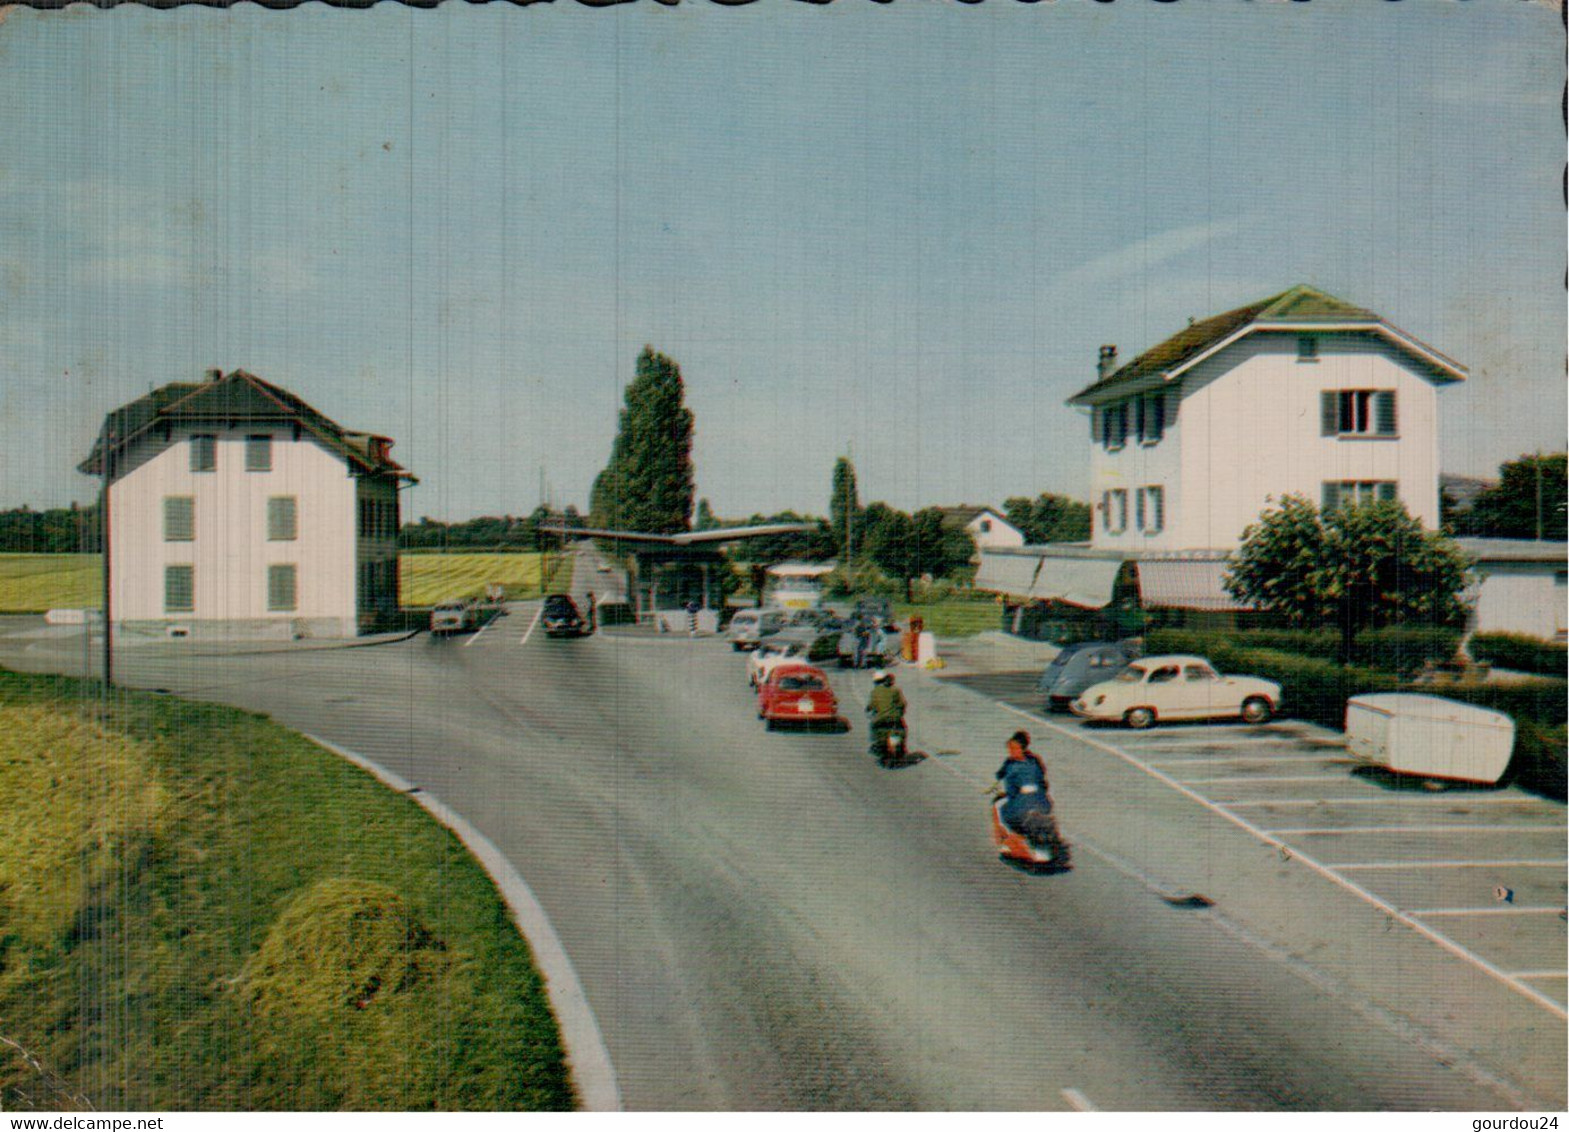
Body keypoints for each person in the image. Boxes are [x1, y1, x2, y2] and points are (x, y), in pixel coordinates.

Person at [990, 730, 1070, 865]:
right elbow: (1043, 781)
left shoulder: (1011, 765)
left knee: (998, 806)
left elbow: (1009, 787)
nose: (1011, 751)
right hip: (1042, 803)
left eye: (1013, 748)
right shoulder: (1035, 760)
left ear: (1022, 748)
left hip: (1022, 806)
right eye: (1009, 748)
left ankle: (1006, 841)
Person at [865, 670, 907, 756]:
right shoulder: (896, 690)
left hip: (881, 719)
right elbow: (902, 704)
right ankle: (902, 748)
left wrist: (869, 709)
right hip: (895, 718)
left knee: (873, 728)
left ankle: (877, 744)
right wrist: (900, 713)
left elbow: (872, 705)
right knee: (903, 730)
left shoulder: (875, 691)